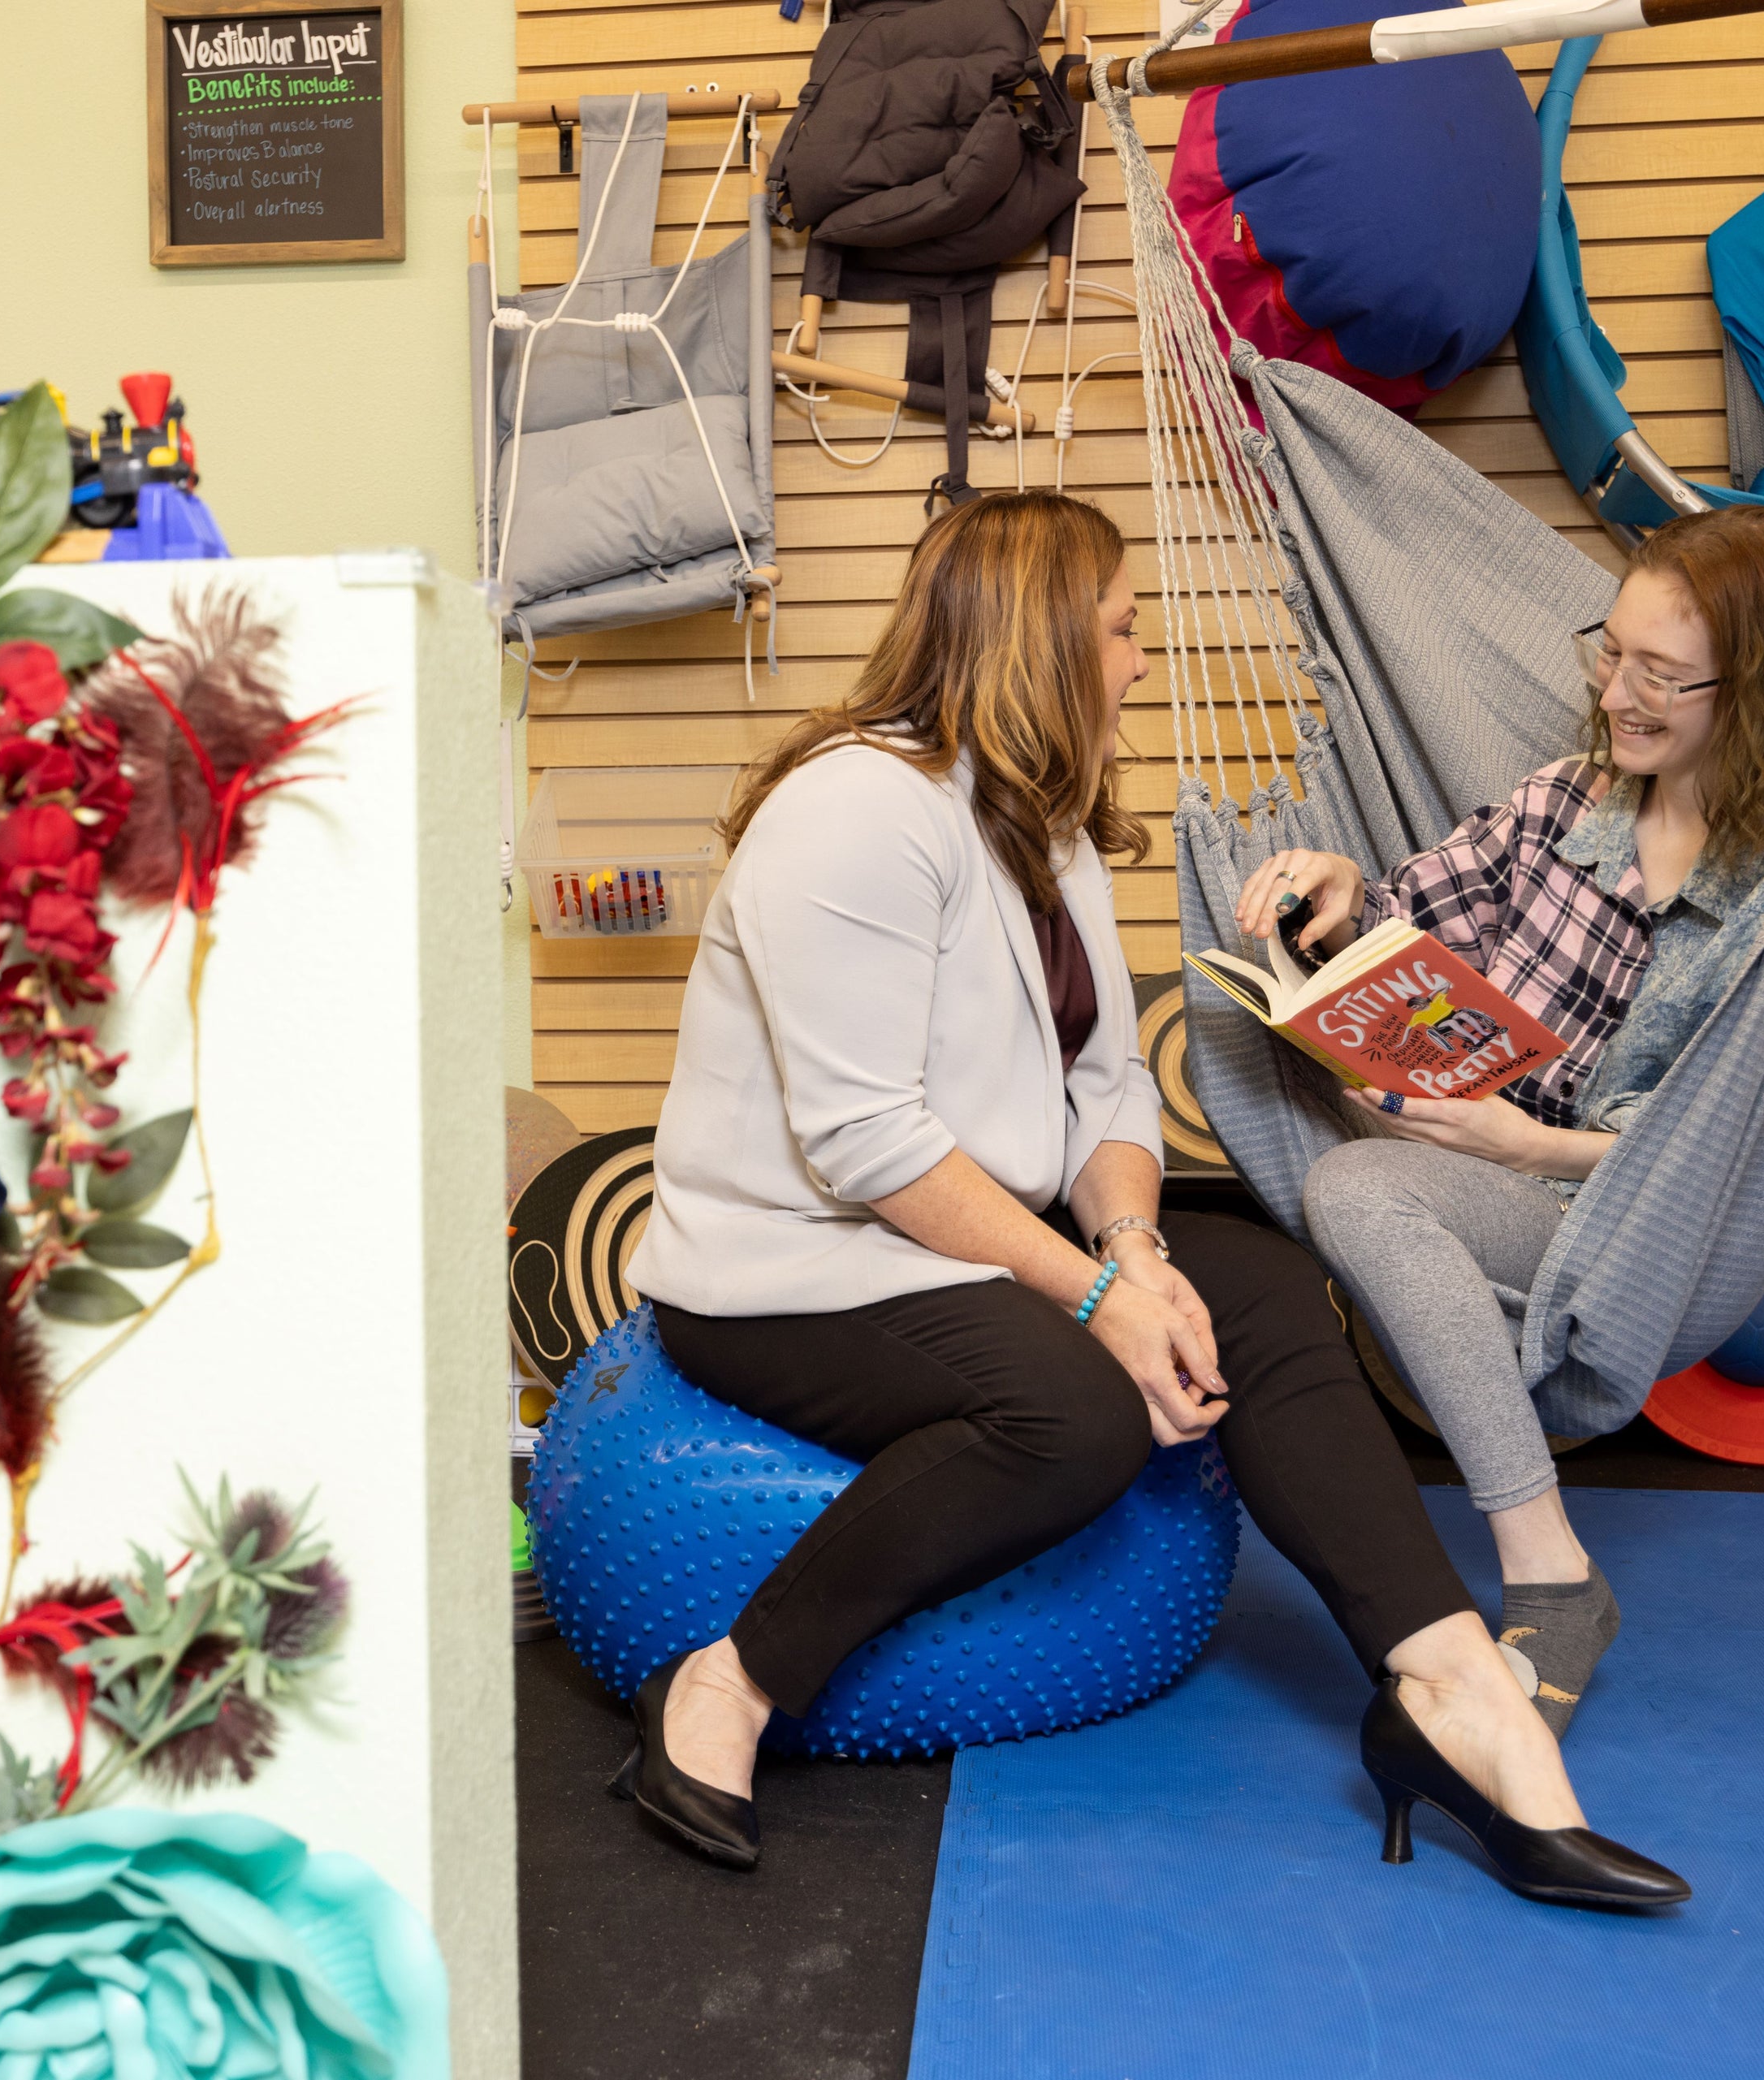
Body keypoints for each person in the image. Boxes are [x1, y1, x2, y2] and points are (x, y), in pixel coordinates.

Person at [620, 490, 1685, 1909]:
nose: (1138, 659)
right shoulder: (854, 814)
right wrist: (1106, 1297)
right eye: (1121, 628)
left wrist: (1129, 1241)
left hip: (958, 1242)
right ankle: (734, 1682)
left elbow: (1109, 1081)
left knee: (1254, 1281)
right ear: (1043, 638)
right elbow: (867, 1146)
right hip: (790, 1273)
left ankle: (1451, 1688)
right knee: (1079, 1413)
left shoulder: (1039, 820)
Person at [1239, 504, 1764, 1735]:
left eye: (1663, 673)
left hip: (1636, 1227)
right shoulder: (1564, 802)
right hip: (1481, 1171)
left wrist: (1528, 1144)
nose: (1619, 693)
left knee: (1355, 1192)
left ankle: (1550, 1577)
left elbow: (1742, 1152)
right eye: (1613, 651)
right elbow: (1419, 921)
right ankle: (1551, 1575)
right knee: (1333, 1147)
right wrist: (1339, 886)